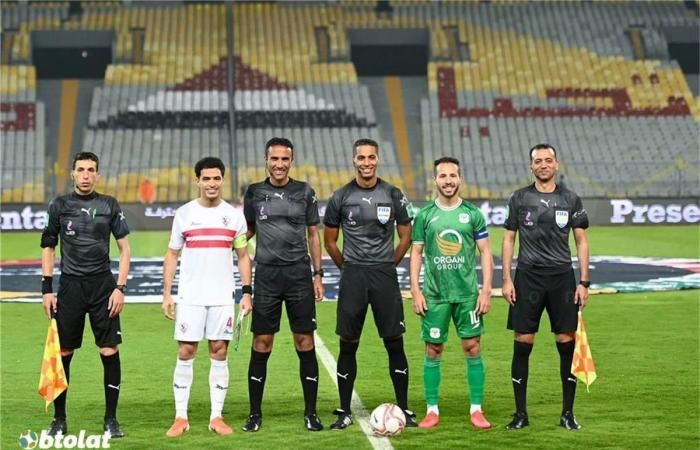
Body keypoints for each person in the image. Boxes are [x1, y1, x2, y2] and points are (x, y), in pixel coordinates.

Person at [323, 138, 416, 429]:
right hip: (354, 275)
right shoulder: (341, 196)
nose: (366, 162)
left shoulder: (393, 194)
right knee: (348, 343)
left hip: (383, 275)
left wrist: (388, 264)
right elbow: (330, 241)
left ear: (378, 159)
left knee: (394, 342)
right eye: (361, 158)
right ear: (354, 160)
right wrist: (348, 267)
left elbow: (406, 236)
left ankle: (404, 408)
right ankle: (344, 410)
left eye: (371, 157)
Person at [40, 151, 131, 438]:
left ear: (98, 175)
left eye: (91, 170)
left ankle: (111, 420)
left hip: (103, 287)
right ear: (73, 173)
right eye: (81, 169)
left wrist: (120, 288)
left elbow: (125, 249)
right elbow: (48, 247)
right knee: (63, 352)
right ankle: (59, 420)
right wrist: (46, 290)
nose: (86, 175)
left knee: (109, 350)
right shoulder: (59, 205)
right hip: (70, 287)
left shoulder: (109, 204)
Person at [162, 156, 253, 437]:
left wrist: (246, 292)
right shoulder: (184, 214)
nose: (212, 183)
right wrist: (167, 293)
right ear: (197, 181)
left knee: (219, 351)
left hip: (222, 296)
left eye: (216, 178)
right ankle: (180, 417)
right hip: (190, 296)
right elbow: (172, 254)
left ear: (222, 180)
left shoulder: (234, 216)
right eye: (206, 178)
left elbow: (243, 256)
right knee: (186, 351)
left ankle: (216, 417)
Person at [501, 143, 590, 431]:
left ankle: (567, 413)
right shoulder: (519, 198)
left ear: (556, 164)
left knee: (566, 343)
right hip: (528, 277)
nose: (543, 165)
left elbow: (581, 241)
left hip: (561, 278)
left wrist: (584, 282)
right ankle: (520, 414)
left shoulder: (570, 199)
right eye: (538, 161)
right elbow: (509, 239)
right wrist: (506, 279)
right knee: (523, 343)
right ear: (531, 166)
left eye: (548, 160)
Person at [241, 137, 325, 432]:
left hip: (299, 275)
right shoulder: (254, 192)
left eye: (284, 159)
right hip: (266, 276)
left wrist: (317, 274)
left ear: (292, 161)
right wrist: (226, 244)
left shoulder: (305, 191)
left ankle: (311, 413)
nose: (279, 164)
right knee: (262, 342)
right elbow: (248, 230)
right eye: (274, 159)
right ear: (266, 160)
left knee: (305, 341)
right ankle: (254, 414)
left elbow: (313, 234)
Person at [409, 157, 494, 430]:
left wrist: (486, 291)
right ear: (435, 180)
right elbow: (416, 253)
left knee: (473, 347)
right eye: (443, 176)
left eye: (452, 175)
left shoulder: (472, 214)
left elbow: (485, 252)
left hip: (467, 294)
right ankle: (432, 410)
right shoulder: (424, 215)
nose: (448, 181)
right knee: (433, 349)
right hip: (435, 295)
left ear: (460, 179)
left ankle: (476, 409)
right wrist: (415, 290)